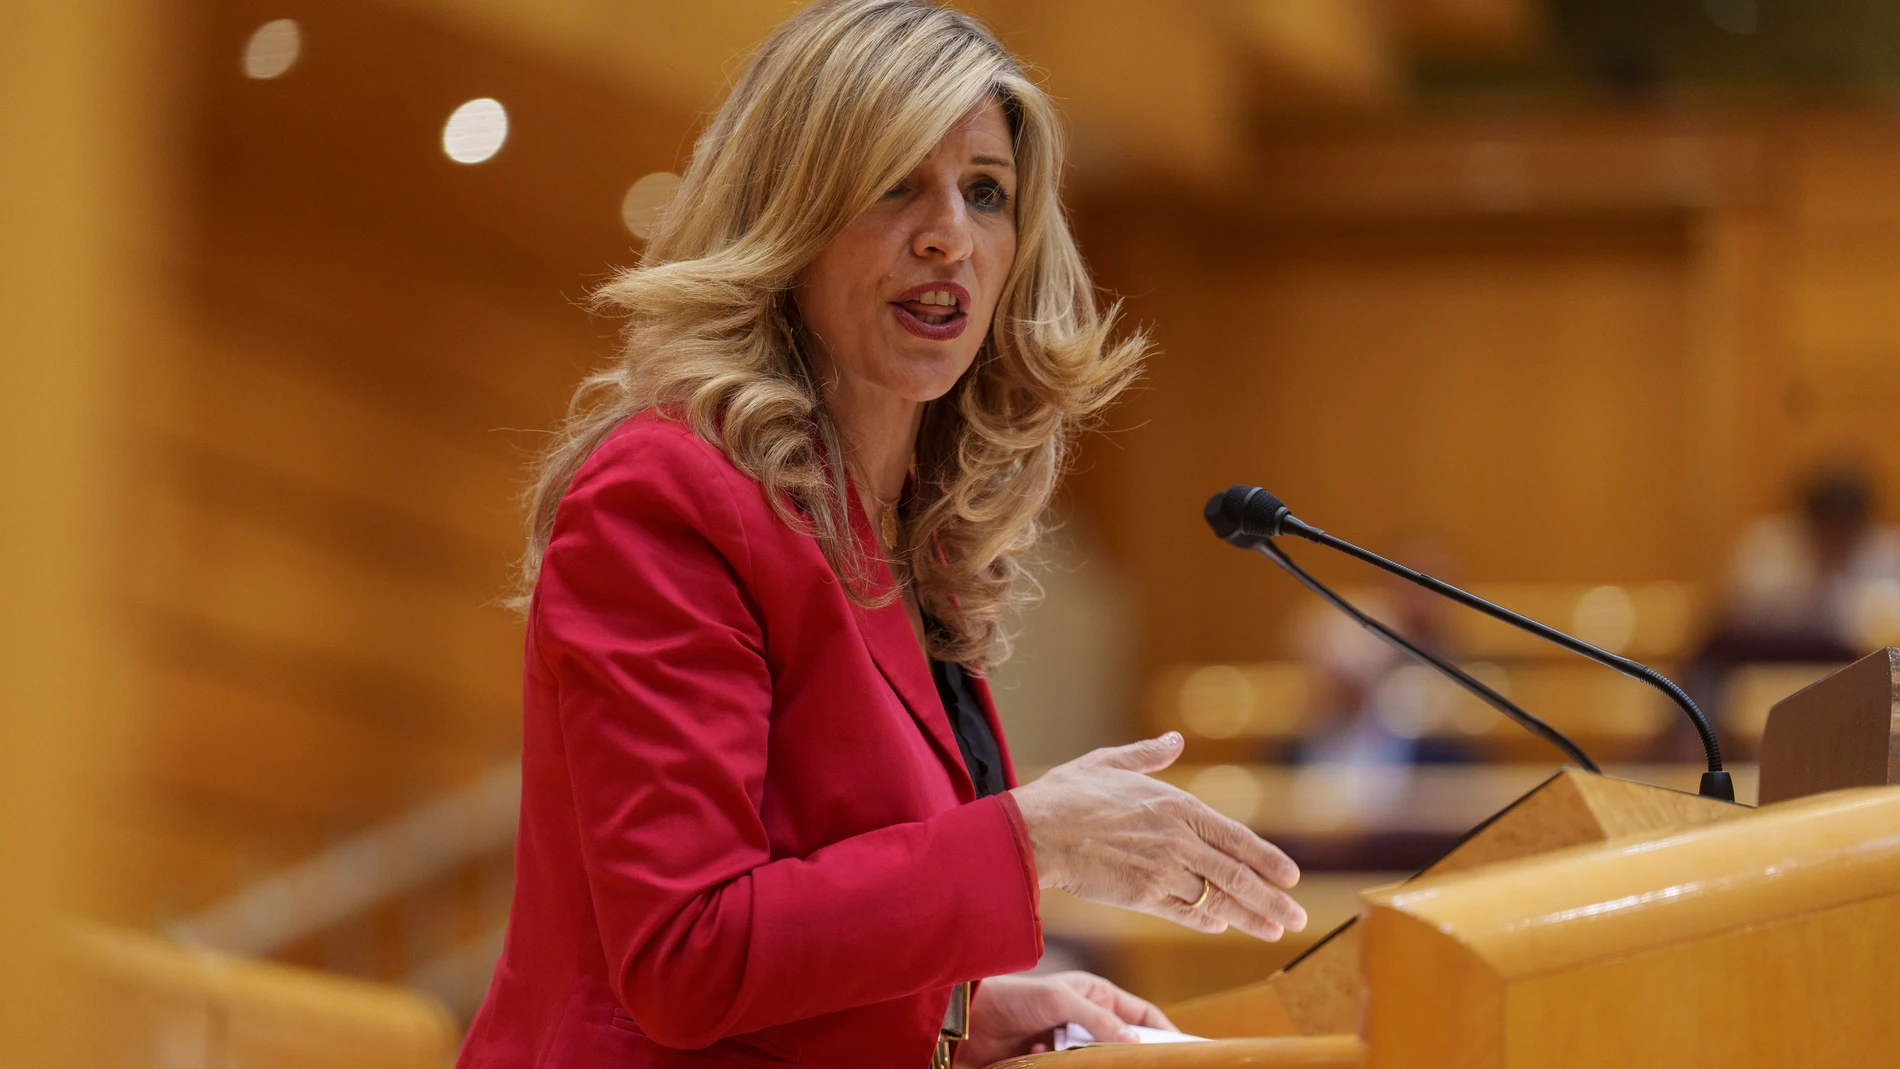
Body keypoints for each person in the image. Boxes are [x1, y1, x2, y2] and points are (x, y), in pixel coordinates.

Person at [455, 4, 1306, 1067]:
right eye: (895, 181)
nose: (949, 229)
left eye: (984, 191)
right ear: (790, 215)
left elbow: (809, 933)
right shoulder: (667, 492)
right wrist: (1032, 842)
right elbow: (687, 953)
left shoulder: (902, 540)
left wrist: (959, 1011)